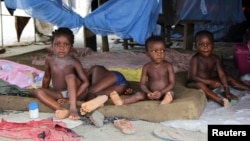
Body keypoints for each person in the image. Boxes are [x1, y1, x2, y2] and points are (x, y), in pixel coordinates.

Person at [35, 27, 89, 120]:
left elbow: (86, 82)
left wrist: (71, 98)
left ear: (71, 47)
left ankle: (73, 108)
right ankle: (61, 109)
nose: (61, 47)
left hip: (75, 92)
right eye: (57, 44)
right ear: (52, 46)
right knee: (38, 91)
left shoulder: (74, 62)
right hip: (59, 94)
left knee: (70, 76)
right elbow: (47, 78)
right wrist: (46, 93)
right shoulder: (49, 59)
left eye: (66, 44)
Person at [186, 30, 250, 107]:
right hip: (194, 83)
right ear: (196, 46)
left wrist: (227, 92)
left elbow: (222, 75)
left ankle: (247, 88)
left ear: (213, 45)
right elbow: (193, 77)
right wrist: (210, 82)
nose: (205, 47)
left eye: (208, 44)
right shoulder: (195, 59)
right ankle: (220, 101)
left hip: (209, 83)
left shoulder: (215, 58)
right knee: (200, 84)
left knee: (228, 78)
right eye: (201, 44)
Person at [110, 35, 175, 105]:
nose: (159, 54)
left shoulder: (168, 66)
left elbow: (172, 83)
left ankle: (165, 101)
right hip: (150, 94)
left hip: (164, 93)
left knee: (170, 93)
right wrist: (148, 93)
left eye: (162, 50)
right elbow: (142, 84)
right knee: (139, 94)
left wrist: (161, 92)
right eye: (154, 51)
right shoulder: (146, 67)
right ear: (147, 54)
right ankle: (122, 102)